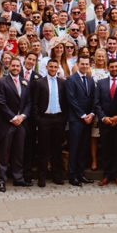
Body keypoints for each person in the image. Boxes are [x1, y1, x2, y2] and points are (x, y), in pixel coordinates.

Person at [0, 57, 32, 192]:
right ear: (9, 66)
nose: (15, 68)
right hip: (7, 122)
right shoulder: (2, 82)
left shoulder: (25, 82)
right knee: (4, 153)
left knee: (19, 151)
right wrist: (13, 117)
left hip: (21, 123)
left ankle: (18, 178)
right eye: (13, 66)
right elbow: (1, 103)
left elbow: (28, 103)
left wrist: (22, 116)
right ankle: (1, 181)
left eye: (18, 66)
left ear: (21, 67)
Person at [31, 59, 67, 187]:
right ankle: (42, 177)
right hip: (44, 119)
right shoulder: (39, 83)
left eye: (55, 67)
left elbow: (65, 102)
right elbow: (34, 103)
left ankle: (57, 176)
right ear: (46, 67)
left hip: (58, 118)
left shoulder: (62, 83)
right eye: (51, 66)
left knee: (57, 149)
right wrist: (38, 120)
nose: (53, 69)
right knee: (43, 150)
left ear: (58, 68)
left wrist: (64, 118)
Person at [65, 56, 96, 186]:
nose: (84, 66)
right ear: (77, 64)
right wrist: (83, 115)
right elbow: (71, 99)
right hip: (76, 119)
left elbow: (94, 98)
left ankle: (81, 173)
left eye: (86, 64)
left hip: (88, 119)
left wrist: (92, 114)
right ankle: (72, 175)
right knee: (75, 147)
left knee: (84, 148)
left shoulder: (90, 80)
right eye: (82, 64)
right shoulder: (71, 80)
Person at [93, 59, 117, 187]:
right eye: (112, 67)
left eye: (116, 66)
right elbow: (96, 102)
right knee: (106, 150)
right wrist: (103, 117)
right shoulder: (101, 83)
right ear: (108, 68)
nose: (114, 69)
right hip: (105, 122)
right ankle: (106, 175)